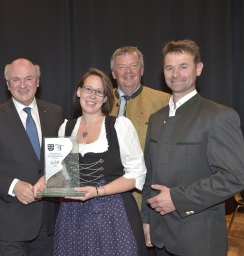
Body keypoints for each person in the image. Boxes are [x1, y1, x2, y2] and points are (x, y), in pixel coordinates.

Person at [141, 39, 244, 256]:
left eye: (183, 66)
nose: (175, 74)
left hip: (198, 240)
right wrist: (147, 220)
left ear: (198, 68)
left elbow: (234, 177)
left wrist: (177, 199)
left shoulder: (218, 116)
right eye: (169, 67)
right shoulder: (156, 118)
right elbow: (149, 176)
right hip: (160, 237)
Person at [45, 67, 147, 255]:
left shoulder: (119, 126)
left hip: (113, 213)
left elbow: (136, 175)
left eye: (99, 92)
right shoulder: (66, 128)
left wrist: (99, 191)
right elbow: (61, 176)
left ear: (106, 98)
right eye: (88, 89)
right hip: (73, 215)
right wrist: (44, 183)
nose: (92, 96)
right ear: (79, 91)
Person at [0, 58, 63, 256]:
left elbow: (63, 159)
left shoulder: (55, 113)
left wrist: (52, 178)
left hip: (48, 222)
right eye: (16, 79)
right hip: (11, 223)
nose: (22, 85)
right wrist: (14, 186)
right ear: (8, 84)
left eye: (28, 78)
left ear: (38, 81)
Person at [109, 46, 170, 209]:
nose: (128, 71)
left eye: (134, 65)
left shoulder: (164, 101)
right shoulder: (100, 102)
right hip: (107, 192)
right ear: (114, 74)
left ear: (142, 70)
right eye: (121, 67)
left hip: (147, 194)